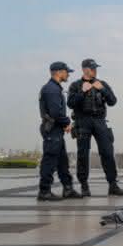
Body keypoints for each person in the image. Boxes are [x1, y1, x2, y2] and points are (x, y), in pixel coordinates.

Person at [67, 59, 123, 197]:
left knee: (107, 152)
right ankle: (84, 185)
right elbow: (70, 103)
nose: (95, 70)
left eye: (95, 68)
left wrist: (102, 89)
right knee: (83, 154)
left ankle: (113, 184)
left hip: (100, 121)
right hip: (83, 121)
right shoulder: (75, 85)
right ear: (85, 69)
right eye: (92, 68)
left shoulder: (102, 84)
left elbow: (113, 101)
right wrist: (82, 91)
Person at [38, 62, 83, 201]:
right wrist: (67, 123)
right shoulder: (51, 89)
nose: (68, 74)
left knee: (62, 162)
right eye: (66, 72)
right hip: (53, 131)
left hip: (56, 131)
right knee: (49, 161)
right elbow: (56, 112)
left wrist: (64, 123)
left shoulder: (54, 88)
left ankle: (68, 189)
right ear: (58, 72)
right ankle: (44, 191)